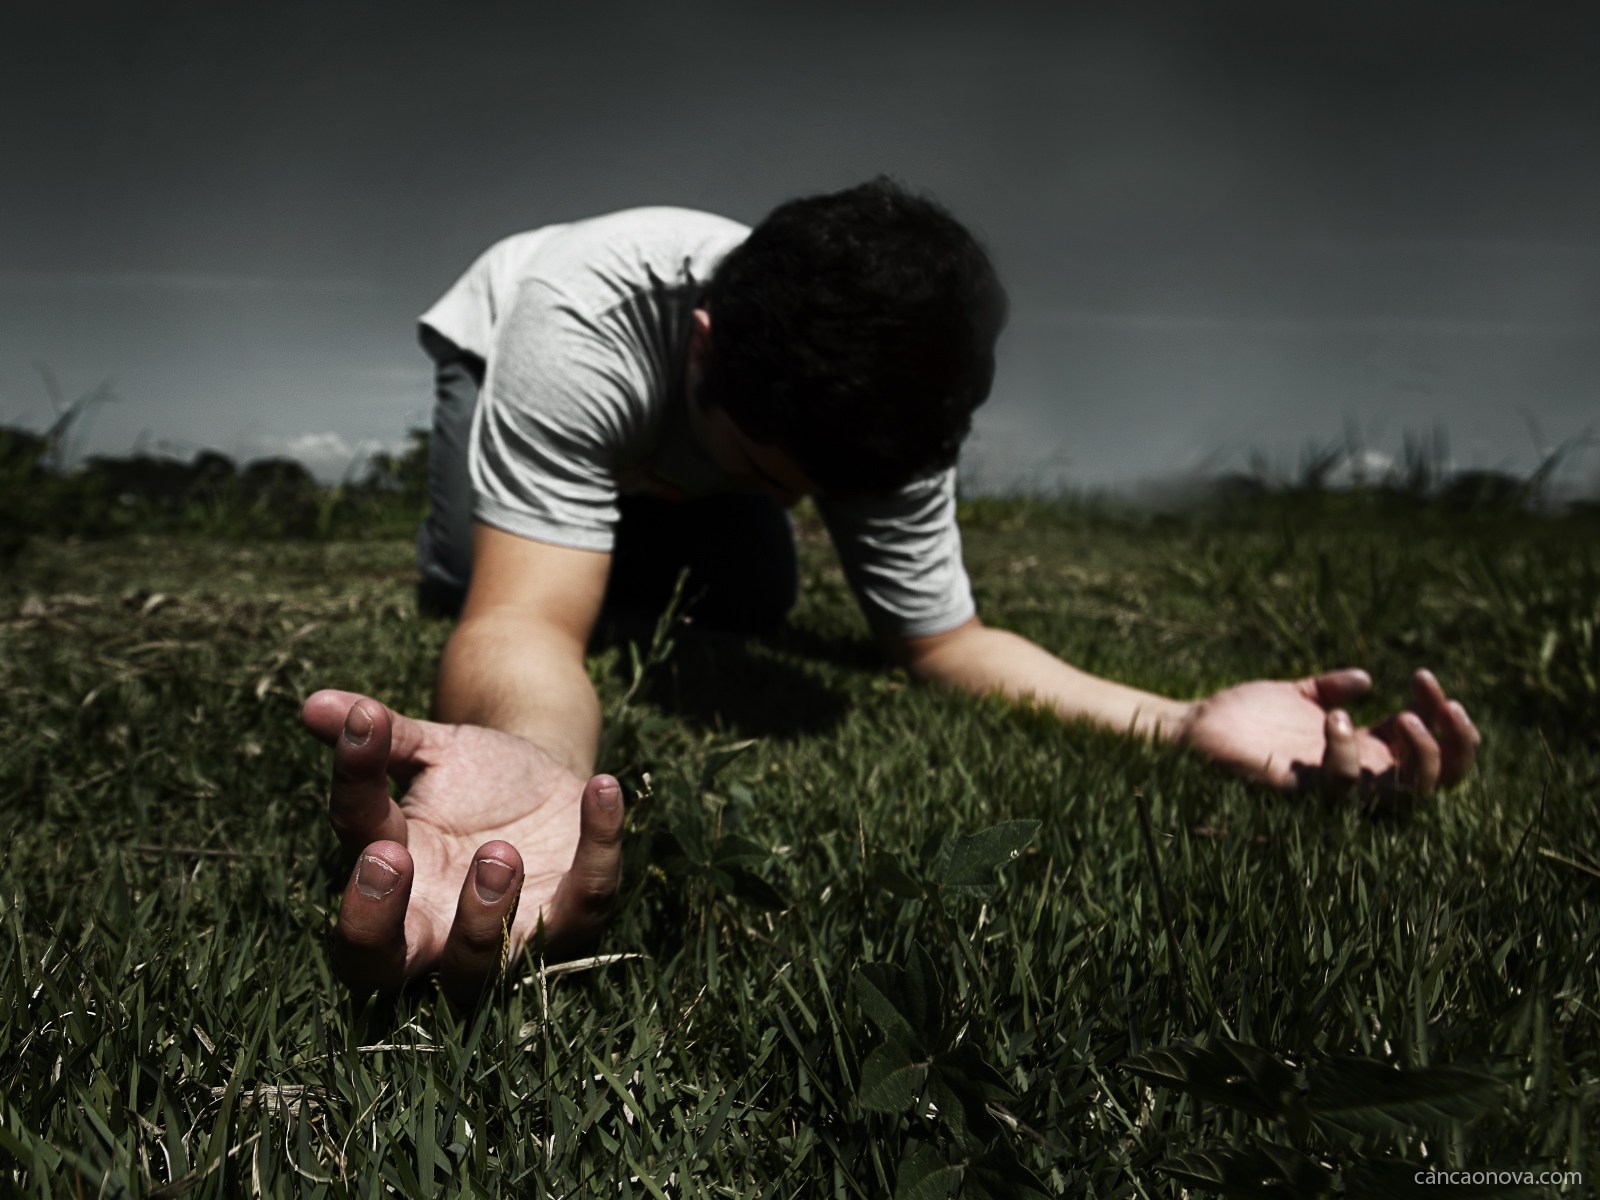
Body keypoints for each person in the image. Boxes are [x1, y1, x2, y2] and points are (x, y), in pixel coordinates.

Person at [302, 179, 1479, 1005]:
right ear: (703, 345)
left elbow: (946, 645)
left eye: (825, 497)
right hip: (499, 336)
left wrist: (1177, 719)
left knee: (752, 595)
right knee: (467, 572)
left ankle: (631, 531)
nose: (812, 508)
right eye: (777, 478)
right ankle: (581, 520)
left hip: (698, 433)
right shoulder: (585, 319)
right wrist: (538, 760)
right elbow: (522, 623)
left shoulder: (882, 397)